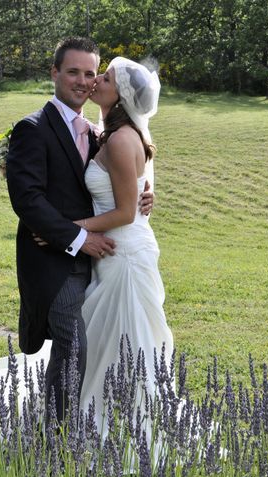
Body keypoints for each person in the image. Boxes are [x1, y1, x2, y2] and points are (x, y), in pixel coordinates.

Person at [5, 38, 154, 423]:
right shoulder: (31, 129)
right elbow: (29, 201)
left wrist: (143, 194)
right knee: (74, 345)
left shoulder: (96, 132)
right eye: (73, 72)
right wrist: (77, 237)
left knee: (108, 342)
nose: (84, 81)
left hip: (104, 257)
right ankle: (54, 440)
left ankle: (102, 421)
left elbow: (120, 183)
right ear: (54, 73)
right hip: (56, 263)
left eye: (92, 73)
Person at [75, 56, 174, 437]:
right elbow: (134, 197)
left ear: (121, 97)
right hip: (118, 249)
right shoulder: (112, 132)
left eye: (106, 77)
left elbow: (124, 213)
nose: (97, 80)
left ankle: (123, 430)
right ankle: (103, 420)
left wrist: (68, 230)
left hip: (124, 254)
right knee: (109, 338)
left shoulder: (120, 139)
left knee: (126, 339)